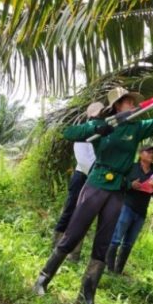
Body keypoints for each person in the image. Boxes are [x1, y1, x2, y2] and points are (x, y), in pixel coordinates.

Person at [33, 85, 153, 304]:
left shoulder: (137, 128)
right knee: (74, 233)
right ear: (117, 105)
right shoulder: (104, 126)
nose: (133, 104)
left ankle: (86, 295)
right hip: (96, 183)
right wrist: (98, 125)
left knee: (103, 242)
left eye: (132, 101)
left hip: (118, 189)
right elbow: (69, 133)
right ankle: (42, 279)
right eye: (128, 101)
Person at [51, 102, 106, 263]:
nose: (99, 117)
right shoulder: (83, 133)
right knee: (69, 210)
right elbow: (83, 159)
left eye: (101, 114)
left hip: (95, 178)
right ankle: (56, 246)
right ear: (90, 116)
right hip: (82, 176)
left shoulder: (106, 132)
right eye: (97, 115)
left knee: (84, 215)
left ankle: (74, 253)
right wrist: (97, 174)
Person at [106, 144, 153, 275]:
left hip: (141, 213)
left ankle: (117, 271)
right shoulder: (131, 168)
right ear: (140, 154)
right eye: (148, 152)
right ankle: (109, 269)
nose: (151, 154)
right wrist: (131, 185)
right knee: (116, 238)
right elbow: (120, 183)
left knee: (128, 244)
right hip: (127, 207)